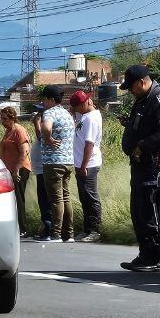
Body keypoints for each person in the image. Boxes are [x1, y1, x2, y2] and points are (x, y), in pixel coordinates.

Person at [118, 64, 160, 271]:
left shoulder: (159, 99)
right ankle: (145, 254)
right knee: (139, 211)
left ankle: (154, 256)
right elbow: (146, 125)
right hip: (139, 166)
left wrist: (143, 145)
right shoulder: (143, 100)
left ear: (142, 82)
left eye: (131, 86)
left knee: (147, 211)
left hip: (150, 165)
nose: (130, 91)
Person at [39, 85, 77, 243]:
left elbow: (46, 127)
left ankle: (56, 233)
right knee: (65, 197)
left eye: (44, 99)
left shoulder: (49, 112)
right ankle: (69, 233)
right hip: (68, 161)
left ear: (50, 99)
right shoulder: (67, 114)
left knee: (56, 199)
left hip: (53, 161)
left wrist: (47, 139)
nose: (43, 102)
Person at [67, 89, 103, 242]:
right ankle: (87, 229)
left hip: (88, 164)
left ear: (83, 104)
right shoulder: (85, 116)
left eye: (77, 107)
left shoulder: (91, 119)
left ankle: (95, 230)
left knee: (90, 197)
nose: (75, 110)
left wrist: (83, 166)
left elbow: (89, 144)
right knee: (84, 198)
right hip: (82, 163)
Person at [0, 106, 32, 237]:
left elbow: (24, 151)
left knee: (19, 199)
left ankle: (23, 228)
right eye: (2, 119)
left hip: (19, 170)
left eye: (5, 119)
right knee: (12, 200)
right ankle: (16, 226)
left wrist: (16, 169)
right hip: (10, 170)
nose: (3, 121)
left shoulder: (19, 130)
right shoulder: (8, 131)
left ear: (13, 118)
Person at [29, 104, 53, 240]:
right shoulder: (44, 123)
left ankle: (48, 229)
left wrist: (37, 124)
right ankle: (46, 227)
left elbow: (42, 139)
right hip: (41, 168)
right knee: (43, 199)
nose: (37, 114)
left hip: (45, 168)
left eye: (39, 112)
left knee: (45, 200)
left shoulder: (47, 125)